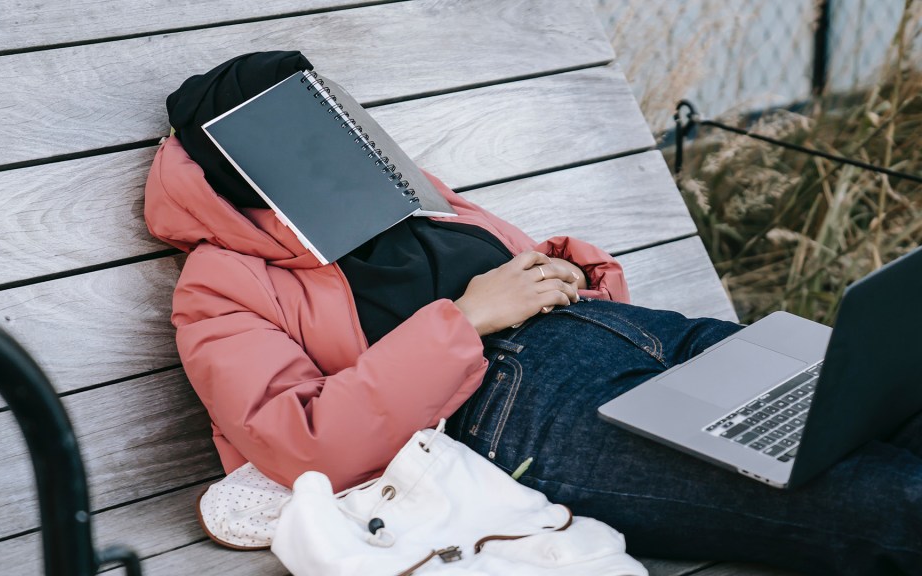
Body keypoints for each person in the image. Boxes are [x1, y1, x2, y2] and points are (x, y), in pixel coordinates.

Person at [145, 51, 922, 575]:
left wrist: (569, 267)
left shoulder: (405, 190)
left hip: (631, 335)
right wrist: (466, 318)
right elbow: (302, 446)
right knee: (888, 503)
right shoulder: (221, 281)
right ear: (234, 163)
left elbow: (509, 266)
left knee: (890, 401)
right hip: (508, 409)